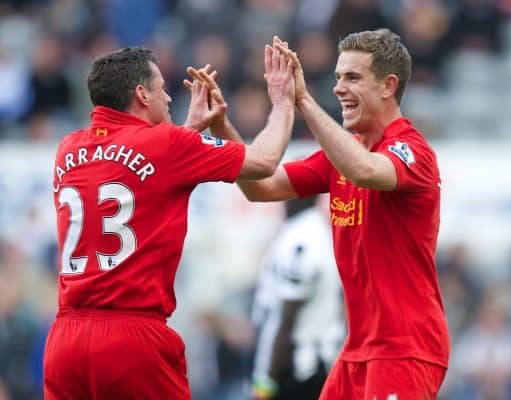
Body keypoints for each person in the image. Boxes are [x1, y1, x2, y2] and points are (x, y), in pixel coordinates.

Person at [187, 28, 450, 400]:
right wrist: (222, 127)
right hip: (357, 350)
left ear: (388, 86)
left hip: (405, 349)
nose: (340, 88)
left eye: (353, 78)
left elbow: (366, 171)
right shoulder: (341, 156)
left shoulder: (412, 151)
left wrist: (303, 101)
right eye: (338, 77)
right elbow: (259, 187)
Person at [43, 45, 295, 399]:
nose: (168, 96)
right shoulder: (169, 144)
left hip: (65, 341)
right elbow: (264, 162)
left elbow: (139, 168)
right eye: (161, 88)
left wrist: (189, 131)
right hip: (132, 338)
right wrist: (284, 101)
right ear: (142, 94)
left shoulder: (68, 148)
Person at [250, 194, 345, 400]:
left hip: (297, 369)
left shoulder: (302, 238)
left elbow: (286, 321)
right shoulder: (314, 231)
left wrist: (265, 382)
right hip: (318, 361)